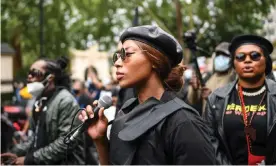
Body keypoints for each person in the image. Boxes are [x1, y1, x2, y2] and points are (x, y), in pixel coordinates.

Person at [78, 25, 216, 165]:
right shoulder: (125, 113)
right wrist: (100, 142)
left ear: (155, 60)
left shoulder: (184, 123)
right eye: (117, 56)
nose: (118, 63)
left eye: (127, 55)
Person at [204, 35, 276, 165]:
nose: (247, 60)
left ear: (266, 62)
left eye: (254, 56)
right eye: (240, 57)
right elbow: (209, 142)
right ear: (234, 63)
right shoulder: (216, 99)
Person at [1, 57, 84, 165]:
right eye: (29, 73)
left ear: (50, 77)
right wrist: (14, 153)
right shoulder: (39, 101)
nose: (29, 76)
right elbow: (34, 139)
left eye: (34, 72)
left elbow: (66, 143)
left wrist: (29, 160)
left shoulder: (65, 101)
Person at [187, 42, 236, 115]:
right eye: (218, 55)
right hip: (207, 122)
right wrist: (194, 89)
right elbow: (192, 101)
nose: (220, 58)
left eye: (225, 55)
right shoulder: (207, 77)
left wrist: (212, 98)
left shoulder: (234, 79)